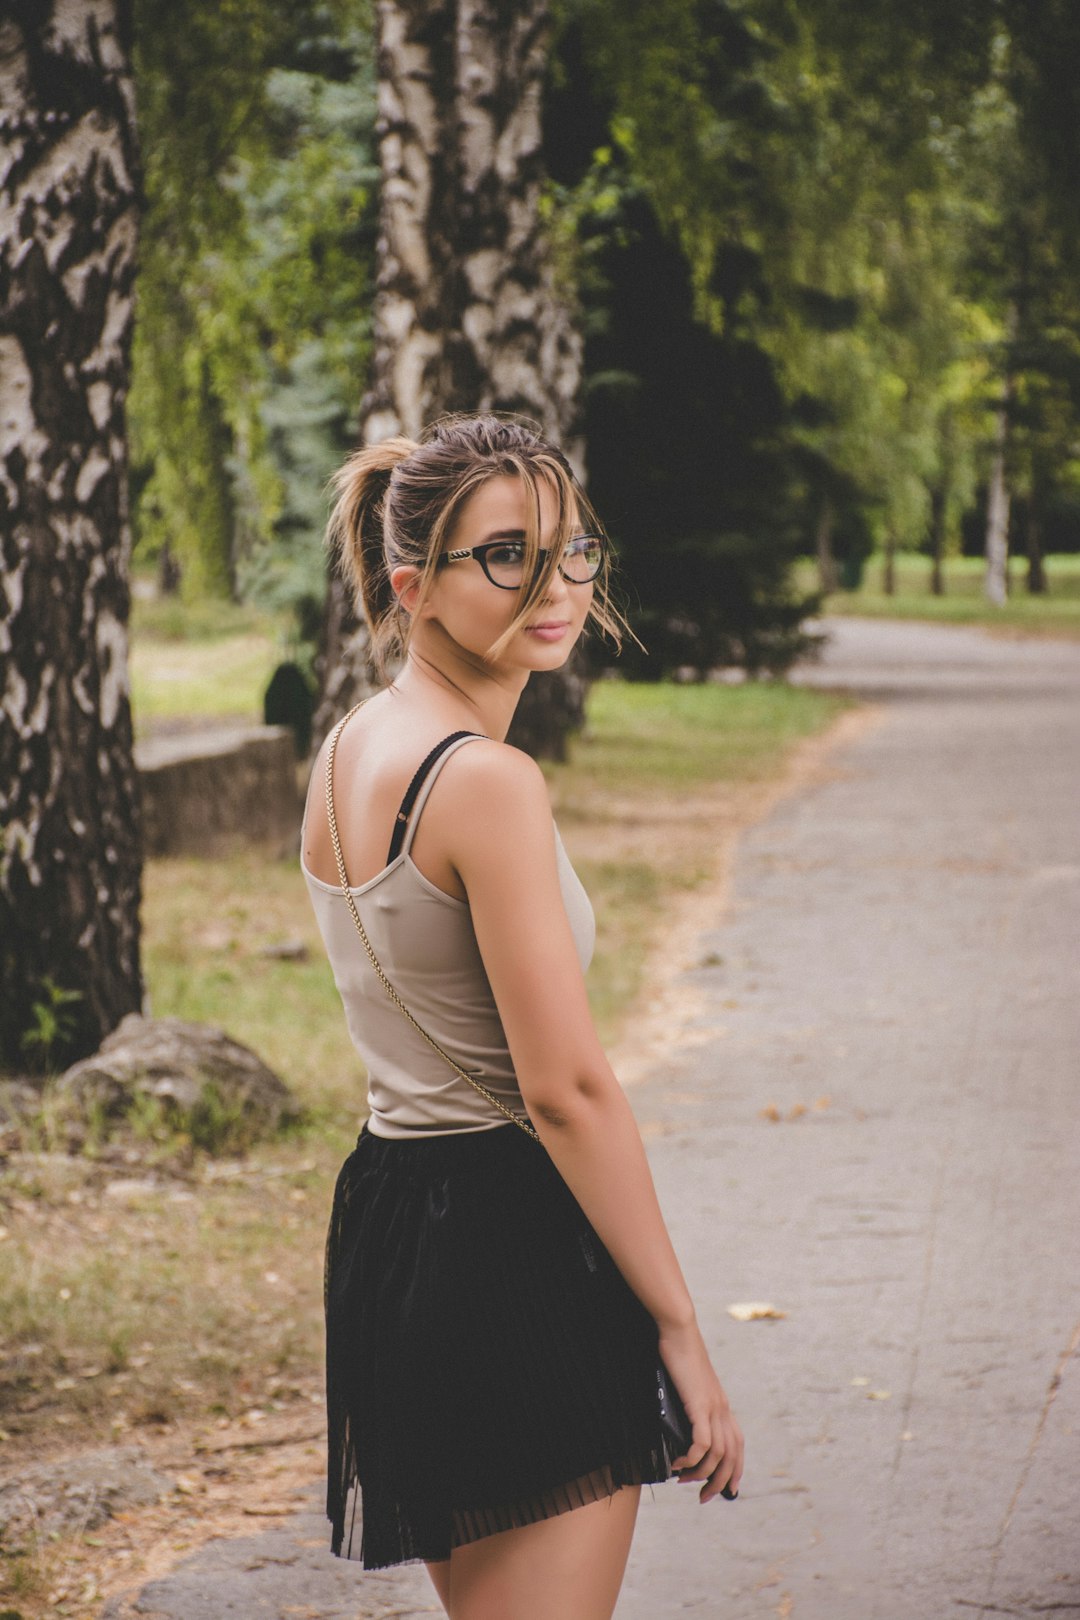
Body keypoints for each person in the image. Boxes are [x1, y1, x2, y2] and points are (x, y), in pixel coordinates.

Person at [301, 415, 744, 1620]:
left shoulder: (350, 746)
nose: (556, 585)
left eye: (573, 548)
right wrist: (682, 1328)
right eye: (507, 555)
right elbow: (568, 1089)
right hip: (509, 1244)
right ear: (413, 584)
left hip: (396, 1225)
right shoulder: (484, 781)